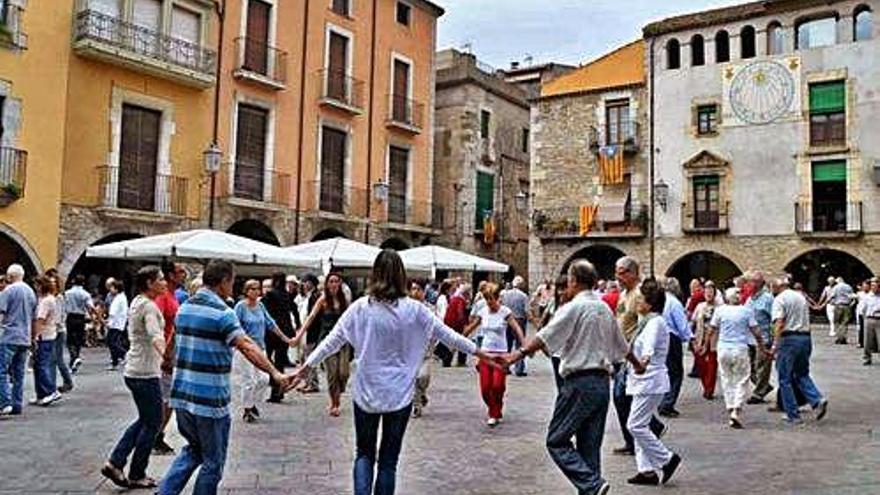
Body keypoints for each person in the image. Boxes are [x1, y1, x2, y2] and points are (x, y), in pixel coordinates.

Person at [289, 250, 494, 495]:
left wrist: (307, 366)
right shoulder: (415, 310)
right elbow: (449, 335)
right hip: (399, 394)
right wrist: (483, 354)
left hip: (366, 392)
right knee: (388, 461)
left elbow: (331, 341)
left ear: (375, 274)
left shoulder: (360, 308)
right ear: (401, 276)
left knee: (363, 454)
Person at [503, 260, 645, 495]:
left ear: (574, 281)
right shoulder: (603, 308)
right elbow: (621, 345)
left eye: (568, 281)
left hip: (579, 382)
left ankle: (592, 484)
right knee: (590, 448)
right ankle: (592, 487)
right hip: (601, 384)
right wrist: (638, 365)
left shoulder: (573, 307)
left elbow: (545, 336)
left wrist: (517, 355)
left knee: (556, 440)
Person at [157, 260, 293, 495]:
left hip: (182, 397)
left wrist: (167, 361)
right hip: (209, 400)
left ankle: (165, 492)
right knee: (213, 461)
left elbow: (172, 340)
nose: (233, 286)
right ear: (223, 282)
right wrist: (274, 373)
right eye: (232, 281)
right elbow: (247, 346)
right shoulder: (223, 313)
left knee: (193, 449)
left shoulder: (186, 307)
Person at [101, 266, 167, 489]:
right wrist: (166, 356)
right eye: (161, 279)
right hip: (145, 372)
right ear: (149, 283)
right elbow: (155, 334)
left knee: (145, 420)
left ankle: (115, 462)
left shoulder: (137, 301)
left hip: (135, 369)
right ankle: (137, 472)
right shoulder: (148, 307)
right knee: (153, 422)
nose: (164, 282)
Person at [625, 278, 682, 486]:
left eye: (640, 299)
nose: (636, 302)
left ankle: (666, 459)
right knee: (642, 423)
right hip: (645, 381)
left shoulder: (655, 323)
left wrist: (642, 363)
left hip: (650, 380)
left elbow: (648, 350)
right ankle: (646, 471)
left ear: (649, 303)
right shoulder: (647, 321)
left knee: (635, 425)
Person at [612, 256, 665, 456]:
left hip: (632, 355)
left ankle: (639, 436)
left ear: (633, 272)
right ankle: (644, 432)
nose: (617, 276)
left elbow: (645, 325)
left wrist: (642, 356)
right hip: (622, 353)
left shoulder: (639, 295)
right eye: (617, 272)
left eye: (621, 272)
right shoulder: (624, 294)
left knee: (621, 397)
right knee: (622, 398)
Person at [462, 282, 526, 427]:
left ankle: (494, 412)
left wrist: (524, 345)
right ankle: (494, 408)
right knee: (485, 389)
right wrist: (459, 338)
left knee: (497, 386)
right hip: (485, 353)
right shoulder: (483, 312)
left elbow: (516, 328)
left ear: (497, 298)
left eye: (491, 298)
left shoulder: (505, 312)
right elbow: (471, 327)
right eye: (487, 299)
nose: (489, 302)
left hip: (501, 354)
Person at [234, 279, 295, 422]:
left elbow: (271, 323)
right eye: (252, 289)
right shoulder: (240, 307)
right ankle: (247, 409)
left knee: (263, 379)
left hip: (260, 348)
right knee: (249, 381)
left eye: (258, 289)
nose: (256, 292)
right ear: (246, 291)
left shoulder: (260, 306)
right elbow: (235, 326)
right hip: (246, 349)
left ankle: (252, 403)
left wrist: (286, 338)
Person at [771, 276, 828, 425]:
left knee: (785, 378)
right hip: (805, 337)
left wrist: (775, 345)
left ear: (777, 287)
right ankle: (816, 399)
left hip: (789, 339)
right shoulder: (800, 297)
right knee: (802, 373)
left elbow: (779, 322)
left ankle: (792, 414)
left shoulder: (779, 300)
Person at [706, 288, 768, 428]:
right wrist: (762, 347)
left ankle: (730, 406)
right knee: (742, 379)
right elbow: (756, 331)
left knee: (727, 378)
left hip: (723, 348)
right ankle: (736, 409)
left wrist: (705, 345)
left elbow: (711, 329)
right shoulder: (746, 311)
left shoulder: (720, 310)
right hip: (740, 348)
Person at [293, 272, 350, 417]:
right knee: (332, 374)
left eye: (336, 281)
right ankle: (334, 403)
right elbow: (311, 317)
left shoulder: (345, 300)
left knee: (343, 373)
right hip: (327, 340)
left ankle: (339, 389)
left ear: (340, 283)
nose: (334, 284)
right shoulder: (323, 300)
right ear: (327, 284)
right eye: (331, 281)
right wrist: (299, 335)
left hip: (344, 341)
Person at [153, 262, 186, 455]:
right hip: (164, 355)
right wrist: (164, 355)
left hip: (171, 353)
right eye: (180, 272)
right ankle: (155, 435)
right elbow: (157, 326)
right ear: (171, 275)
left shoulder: (173, 296)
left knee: (170, 398)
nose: (184, 274)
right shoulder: (163, 297)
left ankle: (158, 434)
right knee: (167, 399)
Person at [0, 264, 36, 417]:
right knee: (19, 373)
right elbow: (34, 317)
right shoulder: (30, 292)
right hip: (25, 337)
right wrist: (33, 337)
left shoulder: (8, 291)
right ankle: (17, 403)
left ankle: (4, 402)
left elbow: (1, 312)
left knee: (1, 371)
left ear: (10, 276)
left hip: (9, 336)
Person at [261, 272, 301, 403]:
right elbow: (295, 311)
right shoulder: (288, 295)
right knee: (280, 360)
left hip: (273, 331)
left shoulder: (270, 295)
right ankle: (278, 389)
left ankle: (275, 383)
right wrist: (298, 325)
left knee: (268, 357)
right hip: (286, 330)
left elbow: (263, 311)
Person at [658, 278, 692, 418]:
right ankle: (667, 403)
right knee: (675, 372)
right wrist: (689, 338)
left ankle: (662, 399)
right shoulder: (674, 303)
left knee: (663, 370)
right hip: (672, 338)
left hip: (659, 336)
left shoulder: (659, 301)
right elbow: (682, 325)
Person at [32, 276, 62, 406]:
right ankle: (41, 393)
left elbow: (40, 319)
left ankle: (51, 390)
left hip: (44, 336)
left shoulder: (45, 301)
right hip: (50, 334)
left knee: (41, 365)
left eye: (37, 285)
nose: (35, 288)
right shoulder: (51, 299)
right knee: (39, 365)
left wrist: (35, 336)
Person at [746, 271, 775, 404]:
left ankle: (758, 393)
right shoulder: (750, 298)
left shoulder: (768, 299)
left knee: (761, 366)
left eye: (751, 281)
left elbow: (775, 320)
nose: (748, 284)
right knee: (750, 368)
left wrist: (774, 341)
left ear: (758, 283)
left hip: (763, 339)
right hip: (749, 338)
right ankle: (764, 386)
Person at [408, 278, 433, 418]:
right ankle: (416, 406)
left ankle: (422, 393)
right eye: (413, 289)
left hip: (425, 350)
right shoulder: (406, 308)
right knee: (413, 378)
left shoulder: (430, 309)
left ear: (424, 292)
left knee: (423, 376)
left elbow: (436, 327)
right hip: (409, 350)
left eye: (418, 289)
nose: (415, 292)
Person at [541, 274, 571, 390]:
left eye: (564, 288)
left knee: (569, 387)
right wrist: (545, 347)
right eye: (559, 289)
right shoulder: (554, 303)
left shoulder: (576, 305)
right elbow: (543, 324)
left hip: (570, 353)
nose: (560, 292)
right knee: (561, 386)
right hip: (557, 352)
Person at [47, 274, 75, 394]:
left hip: (58, 331)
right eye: (50, 283)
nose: (52, 285)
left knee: (55, 359)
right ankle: (66, 381)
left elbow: (59, 317)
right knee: (56, 359)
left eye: (54, 283)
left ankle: (55, 386)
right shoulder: (53, 297)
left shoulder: (59, 298)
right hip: (55, 330)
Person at [693, 282, 721, 400]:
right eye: (706, 292)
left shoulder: (720, 307)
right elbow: (693, 321)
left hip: (714, 339)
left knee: (712, 365)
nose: (709, 294)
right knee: (701, 365)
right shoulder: (700, 306)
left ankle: (709, 390)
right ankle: (705, 385)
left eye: (711, 292)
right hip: (700, 338)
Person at [295, 274, 321, 393]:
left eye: (306, 282)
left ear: (312, 283)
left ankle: (313, 383)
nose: (304, 285)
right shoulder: (308, 296)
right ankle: (307, 381)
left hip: (311, 331)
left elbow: (313, 316)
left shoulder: (315, 297)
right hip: (305, 330)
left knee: (310, 357)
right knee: (304, 357)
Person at [500, 275, 530, 377]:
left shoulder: (505, 295)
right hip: (519, 321)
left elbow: (501, 307)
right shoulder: (523, 296)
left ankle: (505, 366)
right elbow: (526, 311)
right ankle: (519, 369)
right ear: (521, 285)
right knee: (520, 345)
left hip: (506, 321)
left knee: (506, 345)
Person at [64, 274, 95, 373]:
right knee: (78, 339)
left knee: (70, 340)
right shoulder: (85, 294)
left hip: (70, 317)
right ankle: (75, 359)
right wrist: (95, 317)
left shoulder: (67, 293)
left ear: (73, 281)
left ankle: (74, 358)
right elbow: (91, 307)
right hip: (81, 318)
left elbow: (63, 306)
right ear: (83, 283)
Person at [439, 284, 470, 367]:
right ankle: (459, 360)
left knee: (451, 342)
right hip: (456, 324)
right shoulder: (460, 300)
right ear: (465, 294)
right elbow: (460, 313)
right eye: (468, 293)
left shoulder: (454, 298)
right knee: (461, 342)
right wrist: (463, 323)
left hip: (449, 322)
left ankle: (447, 360)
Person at [106, 279, 129, 371]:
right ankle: (114, 361)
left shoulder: (118, 298)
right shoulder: (122, 298)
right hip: (119, 323)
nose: (110, 290)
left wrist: (109, 322)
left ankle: (124, 355)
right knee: (114, 341)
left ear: (116, 289)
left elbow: (113, 312)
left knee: (112, 342)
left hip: (115, 324)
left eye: (112, 288)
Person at [859, 278, 880, 365]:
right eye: (872, 285)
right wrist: (865, 318)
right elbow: (862, 309)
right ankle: (867, 358)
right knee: (867, 341)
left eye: (876, 285)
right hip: (869, 319)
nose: (874, 287)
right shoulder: (867, 297)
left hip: (879, 320)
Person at [830, 277, 854, 345]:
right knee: (845, 322)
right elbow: (852, 296)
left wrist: (832, 302)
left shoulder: (836, 287)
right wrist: (851, 303)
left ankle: (839, 338)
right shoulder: (848, 286)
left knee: (837, 322)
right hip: (846, 306)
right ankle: (843, 337)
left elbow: (832, 296)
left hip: (838, 305)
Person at [856, 280, 870, 349]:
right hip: (861, 313)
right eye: (863, 286)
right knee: (861, 329)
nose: (864, 287)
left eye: (866, 286)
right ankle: (860, 342)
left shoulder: (871, 294)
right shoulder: (860, 294)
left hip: (868, 313)